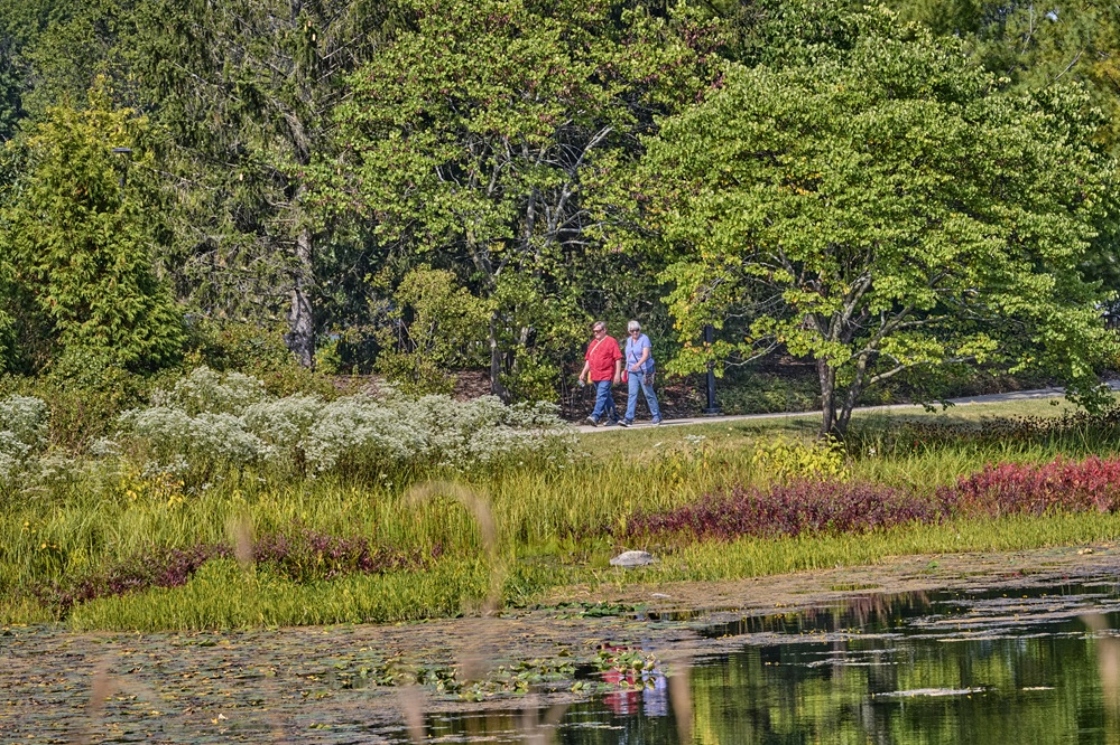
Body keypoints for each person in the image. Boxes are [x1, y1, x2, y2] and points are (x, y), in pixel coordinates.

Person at [578, 320, 622, 426]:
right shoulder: (593, 343)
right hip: (595, 375)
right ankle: (614, 417)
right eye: (594, 331)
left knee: (601, 395)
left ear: (604, 330)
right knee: (606, 397)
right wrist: (583, 372)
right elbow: (588, 359)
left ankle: (595, 416)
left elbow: (618, 358)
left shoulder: (611, 341)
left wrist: (617, 374)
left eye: (598, 331)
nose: (596, 333)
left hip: (607, 374)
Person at [620, 320, 661, 426]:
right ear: (629, 331)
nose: (635, 333)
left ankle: (656, 415)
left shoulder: (644, 339)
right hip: (632, 371)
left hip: (645, 370)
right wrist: (625, 369)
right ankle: (628, 418)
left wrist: (638, 364)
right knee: (632, 394)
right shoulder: (629, 341)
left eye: (637, 330)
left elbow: (646, 355)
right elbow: (628, 357)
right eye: (632, 331)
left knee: (648, 393)